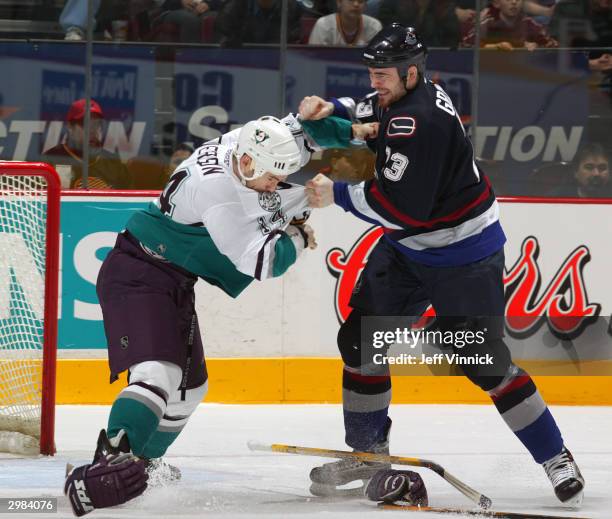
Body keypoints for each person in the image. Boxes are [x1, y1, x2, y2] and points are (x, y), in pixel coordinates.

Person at [299, 23, 585, 507]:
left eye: (383, 74)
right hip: (409, 249)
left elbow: (403, 209)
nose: (376, 82)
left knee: (484, 361)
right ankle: (369, 456)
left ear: (410, 72)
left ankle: (555, 456)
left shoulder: (420, 121)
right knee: (361, 341)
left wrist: (339, 194)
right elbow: (369, 112)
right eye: (371, 73)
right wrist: (334, 109)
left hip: (462, 256)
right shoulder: (411, 92)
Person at [63, 113, 379, 516]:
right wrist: (298, 236)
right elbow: (263, 262)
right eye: (270, 178)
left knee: (189, 392)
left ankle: (143, 463)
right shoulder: (221, 195)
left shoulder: (245, 146)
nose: (275, 185)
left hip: (170, 279)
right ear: (247, 164)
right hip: (139, 275)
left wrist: (354, 131)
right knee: (159, 374)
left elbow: (303, 129)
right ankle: (110, 461)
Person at [41, 98, 132, 189]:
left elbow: (132, 201)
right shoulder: (49, 162)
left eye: (96, 124)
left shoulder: (114, 163)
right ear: (70, 127)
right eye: (85, 124)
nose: (92, 130)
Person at [462, 0, 558, 49]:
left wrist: (536, 46)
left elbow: (552, 45)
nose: (514, 2)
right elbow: (465, 46)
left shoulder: (529, 23)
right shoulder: (486, 23)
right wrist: (494, 47)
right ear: (496, 3)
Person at [308, 0, 382, 46]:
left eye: (360, 1)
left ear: (365, 6)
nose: (356, 4)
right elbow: (314, 60)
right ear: (339, 2)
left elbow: (378, 61)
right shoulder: (323, 25)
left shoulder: (374, 26)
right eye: (351, 0)